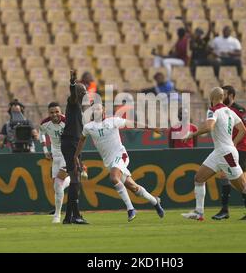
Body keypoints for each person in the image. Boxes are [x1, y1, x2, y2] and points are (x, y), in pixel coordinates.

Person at [181, 87, 246, 221]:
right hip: (221, 151)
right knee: (199, 178)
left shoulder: (213, 110)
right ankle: (199, 213)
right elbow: (243, 130)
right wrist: (233, 144)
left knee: (243, 187)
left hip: (225, 153)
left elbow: (209, 127)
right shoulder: (229, 111)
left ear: (211, 98)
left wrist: (192, 134)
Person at [74, 103, 165, 222]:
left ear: (103, 110)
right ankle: (155, 201)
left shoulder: (113, 121)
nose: (96, 111)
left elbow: (134, 124)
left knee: (113, 178)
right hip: (109, 161)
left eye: (99, 108)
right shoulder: (88, 127)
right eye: (94, 109)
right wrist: (76, 155)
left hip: (120, 155)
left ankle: (130, 209)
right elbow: (81, 140)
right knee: (133, 188)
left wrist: (152, 128)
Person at [212, 85, 246, 221]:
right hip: (230, 148)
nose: (222, 97)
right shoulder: (223, 110)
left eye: (225, 94)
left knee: (230, 177)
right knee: (232, 178)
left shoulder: (239, 110)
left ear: (231, 95)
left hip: (241, 148)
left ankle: (227, 210)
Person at [62, 69, 89, 224]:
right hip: (70, 143)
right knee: (75, 180)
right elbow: (72, 95)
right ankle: (75, 216)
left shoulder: (79, 106)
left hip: (74, 143)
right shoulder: (73, 103)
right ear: (78, 92)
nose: (85, 93)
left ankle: (68, 217)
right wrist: (72, 83)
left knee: (75, 180)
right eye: (83, 91)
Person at [39, 102, 71, 223]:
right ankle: (73, 179)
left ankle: (57, 215)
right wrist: (45, 150)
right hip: (55, 154)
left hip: (67, 153)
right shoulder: (45, 123)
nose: (54, 114)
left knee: (58, 184)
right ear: (49, 113)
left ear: (60, 112)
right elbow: (41, 134)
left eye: (57, 112)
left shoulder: (67, 121)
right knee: (57, 187)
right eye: (52, 112)